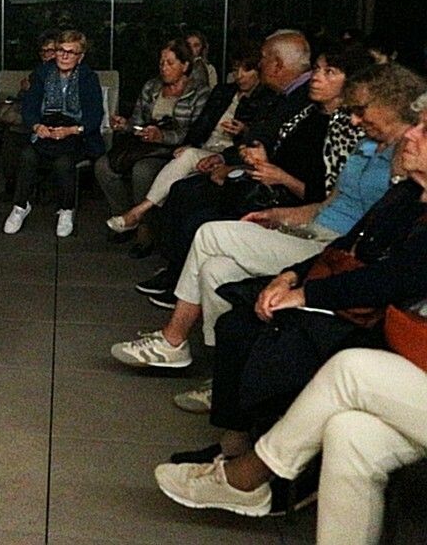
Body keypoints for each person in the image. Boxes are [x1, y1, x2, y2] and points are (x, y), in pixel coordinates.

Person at [154, 94, 427, 543]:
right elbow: (347, 247)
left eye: (424, 130)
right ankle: (245, 461)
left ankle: (249, 475)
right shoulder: (407, 194)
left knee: (350, 367)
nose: (410, 135)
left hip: (400, 347)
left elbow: (391, 278)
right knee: (348, 433)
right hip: (408, 356)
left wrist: (306, 294)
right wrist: (292, 275)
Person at [110, 64, 426, 374]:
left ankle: (173, 340)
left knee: (210, 234)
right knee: (215, 269)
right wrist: (277, 216)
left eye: (361, 110)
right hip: (312, 231)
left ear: (391, 106)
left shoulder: (410, 160)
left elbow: (385, 228)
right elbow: (327, 204)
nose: (355, 120)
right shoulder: (364, 145)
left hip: (334, 250)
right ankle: (225, 375)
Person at [138, 37, 366, 308]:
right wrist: (251, 161)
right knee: (187, 193)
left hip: (290, 202)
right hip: (268, 188)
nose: (315, 77)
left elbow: (324, 194)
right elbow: (275, 149)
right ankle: (177, 277)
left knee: (203, 222)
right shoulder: (308, 112)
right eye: (317, 69)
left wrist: (275, 177)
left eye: (328, 72)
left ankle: (177, 288)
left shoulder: (346, 130)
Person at [106, 44, 276, 234]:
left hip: (229, 153)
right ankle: (139, 219)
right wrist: (189, 143)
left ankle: (138, 213)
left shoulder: (266, 101)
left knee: (160, 169)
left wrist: (244, 131)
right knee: (112, 164)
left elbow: (262, 140)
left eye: (247, 70)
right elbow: (201, 124)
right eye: (236, 70)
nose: (240, 76)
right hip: (203, 147)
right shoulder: (223, 92)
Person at [94, 38, 211, 257]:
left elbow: (196, 132)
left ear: (185, 65)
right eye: (161, 63)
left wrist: (163, 136)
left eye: (170, 63)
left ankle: (144, 229)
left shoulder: (199, 92)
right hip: (145, 145)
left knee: (143, 171)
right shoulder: (152, 86)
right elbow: (138, 122)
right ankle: (124, 216)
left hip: (174, 150)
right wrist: (126, 125)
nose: (164, 68)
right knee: (103, 166)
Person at [3, 30, 104, 237]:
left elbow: (95, 116)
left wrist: (70, 130)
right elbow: (29, 107)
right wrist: (36, 126)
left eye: (71, 52)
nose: (64, 56)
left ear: (80, 56)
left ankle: (66, 210)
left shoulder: (88, 78)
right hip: (47, 128)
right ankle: (20, 206)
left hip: (76, 133)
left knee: (63, 162)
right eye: (60, 50)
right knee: (27, 155)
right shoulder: (42, 73)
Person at [0, 29, 60, 201]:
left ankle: (37, 185)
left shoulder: (65, 73)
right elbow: (24, 101)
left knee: (20, 136)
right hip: (33, 118)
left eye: (50, 51)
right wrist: (25, 91)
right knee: (11, 135)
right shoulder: (38, 72)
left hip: (55, 121)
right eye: (43, 51)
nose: (46, 55)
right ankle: (14, 185)